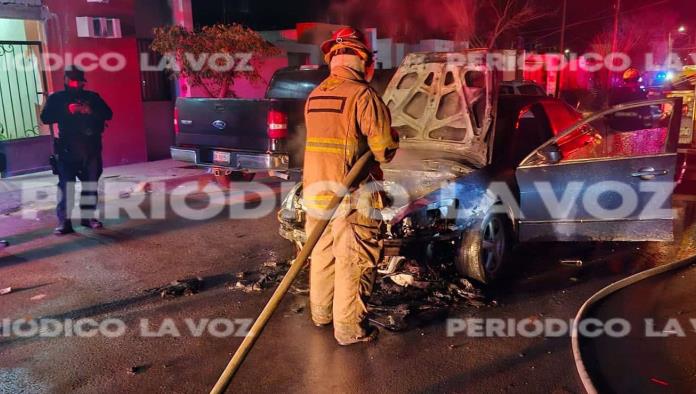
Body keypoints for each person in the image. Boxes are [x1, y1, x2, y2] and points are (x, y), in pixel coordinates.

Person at [303, 27, 399, 346]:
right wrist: (391, 139)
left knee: (322, 254)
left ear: (333, 58)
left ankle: (321, 314)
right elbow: (383, 149)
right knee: (355, 259)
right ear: (361, 58)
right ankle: (348, 329)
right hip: (352, 196)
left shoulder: (315, 95)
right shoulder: (363, 95)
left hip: (316, 191)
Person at [41, 65, 113, 235]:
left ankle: (88, 218)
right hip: (67, 149)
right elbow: (45, 118)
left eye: (79, 82)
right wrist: (67, 111)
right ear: (66, 80)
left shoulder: (92, 97)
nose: (77, 85)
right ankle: (64, 222)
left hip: (91, 147)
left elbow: (108, 114)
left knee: (90, 184)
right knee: (67, 186)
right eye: (73, 81)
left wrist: (90, 110)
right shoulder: (57, 98)